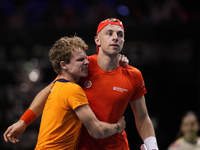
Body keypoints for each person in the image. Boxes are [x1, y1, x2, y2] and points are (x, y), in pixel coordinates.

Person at [4, 18, 159, 150]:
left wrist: (153, 147)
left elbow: (143, 117)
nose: (115, 37)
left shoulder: (133, 74)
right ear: (97, 40)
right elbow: (49, 91)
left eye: (120, 34)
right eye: (109, 33)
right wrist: (24, 121)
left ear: (124, 41)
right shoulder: (82, 67)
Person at [4, 35, 126, 150]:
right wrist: (118, 127)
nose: (87, 62)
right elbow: (96, 131)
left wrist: (23, 122)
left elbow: (42, 94)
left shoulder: (57, 85)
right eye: (80, 60)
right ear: (64, 65)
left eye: (86, 58)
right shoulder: (73, 90)